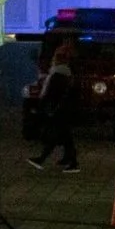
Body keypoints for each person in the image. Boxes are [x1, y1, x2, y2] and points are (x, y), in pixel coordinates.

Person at [26, 44, 80, 172]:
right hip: (62, 109)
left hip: (58, 109)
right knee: (65, 137)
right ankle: (69, 160)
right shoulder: (64, 72)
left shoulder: (58, 73)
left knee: (55, 136)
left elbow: (52, 93)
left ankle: (43, 159)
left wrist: (43, 107)